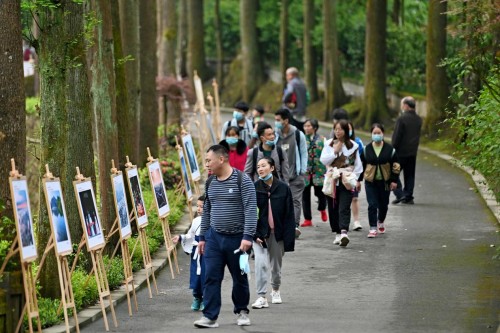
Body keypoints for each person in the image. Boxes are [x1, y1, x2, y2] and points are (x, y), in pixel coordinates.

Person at [194, 145, 257, 328]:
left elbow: (251, 210)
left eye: (208, 161)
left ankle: (242, 311)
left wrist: (247, 237)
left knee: (240, 276)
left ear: (221, 159)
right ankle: (210, 317)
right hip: (214, 238)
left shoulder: (242, 180)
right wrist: (203, 238)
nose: (206, 165)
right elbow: (207, 211)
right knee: (211, 277)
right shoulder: (210, 182)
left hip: (238, 240)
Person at [251, 157, 295, 309]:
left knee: (275, 266)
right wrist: (254, 234)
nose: (260, 169)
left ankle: (275, 290)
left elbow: (289, 214)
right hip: (259, 235)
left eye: (263, 165)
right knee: (260, 263)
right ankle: (261, 296)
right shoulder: (254, 187)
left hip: (277, 233)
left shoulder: (283, 188)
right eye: (258, 166)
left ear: (272, 168)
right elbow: (250, 213)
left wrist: (289, 237)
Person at [320, 120, 363, 247]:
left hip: (347, 180)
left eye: (340, 129)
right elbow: (323, 160)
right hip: (332, 179)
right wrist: (335, 151)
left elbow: (358, 165)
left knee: (344, 206)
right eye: (336, 129)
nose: (337, 131)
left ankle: (344, 232)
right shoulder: (329, 143)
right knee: (333, 207)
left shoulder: (353, 145)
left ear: (346, 131)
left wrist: (356, 178)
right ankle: (337, 233)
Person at [360, 124, 400, 237]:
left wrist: (394, 180)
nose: (377, 135)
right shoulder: (366, 149)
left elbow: (396, 165)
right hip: (370, 182)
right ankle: (372, 228)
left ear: (383, 134)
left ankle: (380, 221)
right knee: (372, 204)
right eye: (374, 133)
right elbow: (361, 165)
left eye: (379, 133)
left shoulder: (390, 150)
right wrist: (358, 180)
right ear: (371, 134)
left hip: (385, 182)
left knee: (383, 205)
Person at [274, 108, 308, 237]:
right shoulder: (275, 135)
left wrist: (302, 172)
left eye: (278, 120)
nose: (276, 122)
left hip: (295, 175)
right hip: (279, 176)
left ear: (286, 121)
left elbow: (304, 153)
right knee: (280, 201)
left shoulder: (298, 135)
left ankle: (294, 226)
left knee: (295, 201)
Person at [172, 195, 206, 311]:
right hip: (196, 254)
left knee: (206, 275)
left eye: (202, 206)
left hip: (207, 253)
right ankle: (197, 297)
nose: (199, 209)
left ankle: (206, 298)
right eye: (198, 206)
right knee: (196, 276)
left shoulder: (214, 220)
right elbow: (191, 235)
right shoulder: (196, 221)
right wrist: (180, 237)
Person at [391, 96, 422, 205]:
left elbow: (397, 136)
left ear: (406, 105)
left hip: (400, 153)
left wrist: (392, 149)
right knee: (409, 175)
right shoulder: (419, 119)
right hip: (412, 153)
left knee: (392, 173)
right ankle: (408, 196)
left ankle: (400, 194)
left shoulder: (402, 119)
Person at [301, 119, 327, 227]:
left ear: (314, 128)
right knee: (305, 196)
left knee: (321, 194)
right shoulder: (301, 139)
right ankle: (308, 219)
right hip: (305, 172)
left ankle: (322, 209)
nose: (306, 128)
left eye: (309, 126)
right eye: (305, 126)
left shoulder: (323, 140)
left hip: (319, 171)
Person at [348, 121, 364, 231]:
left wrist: (359, 179)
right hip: (339, 175)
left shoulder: (357, 142)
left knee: (354, 198)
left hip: (353, 175)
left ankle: (356, 221)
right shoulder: (335, 142)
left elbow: (361, 161)